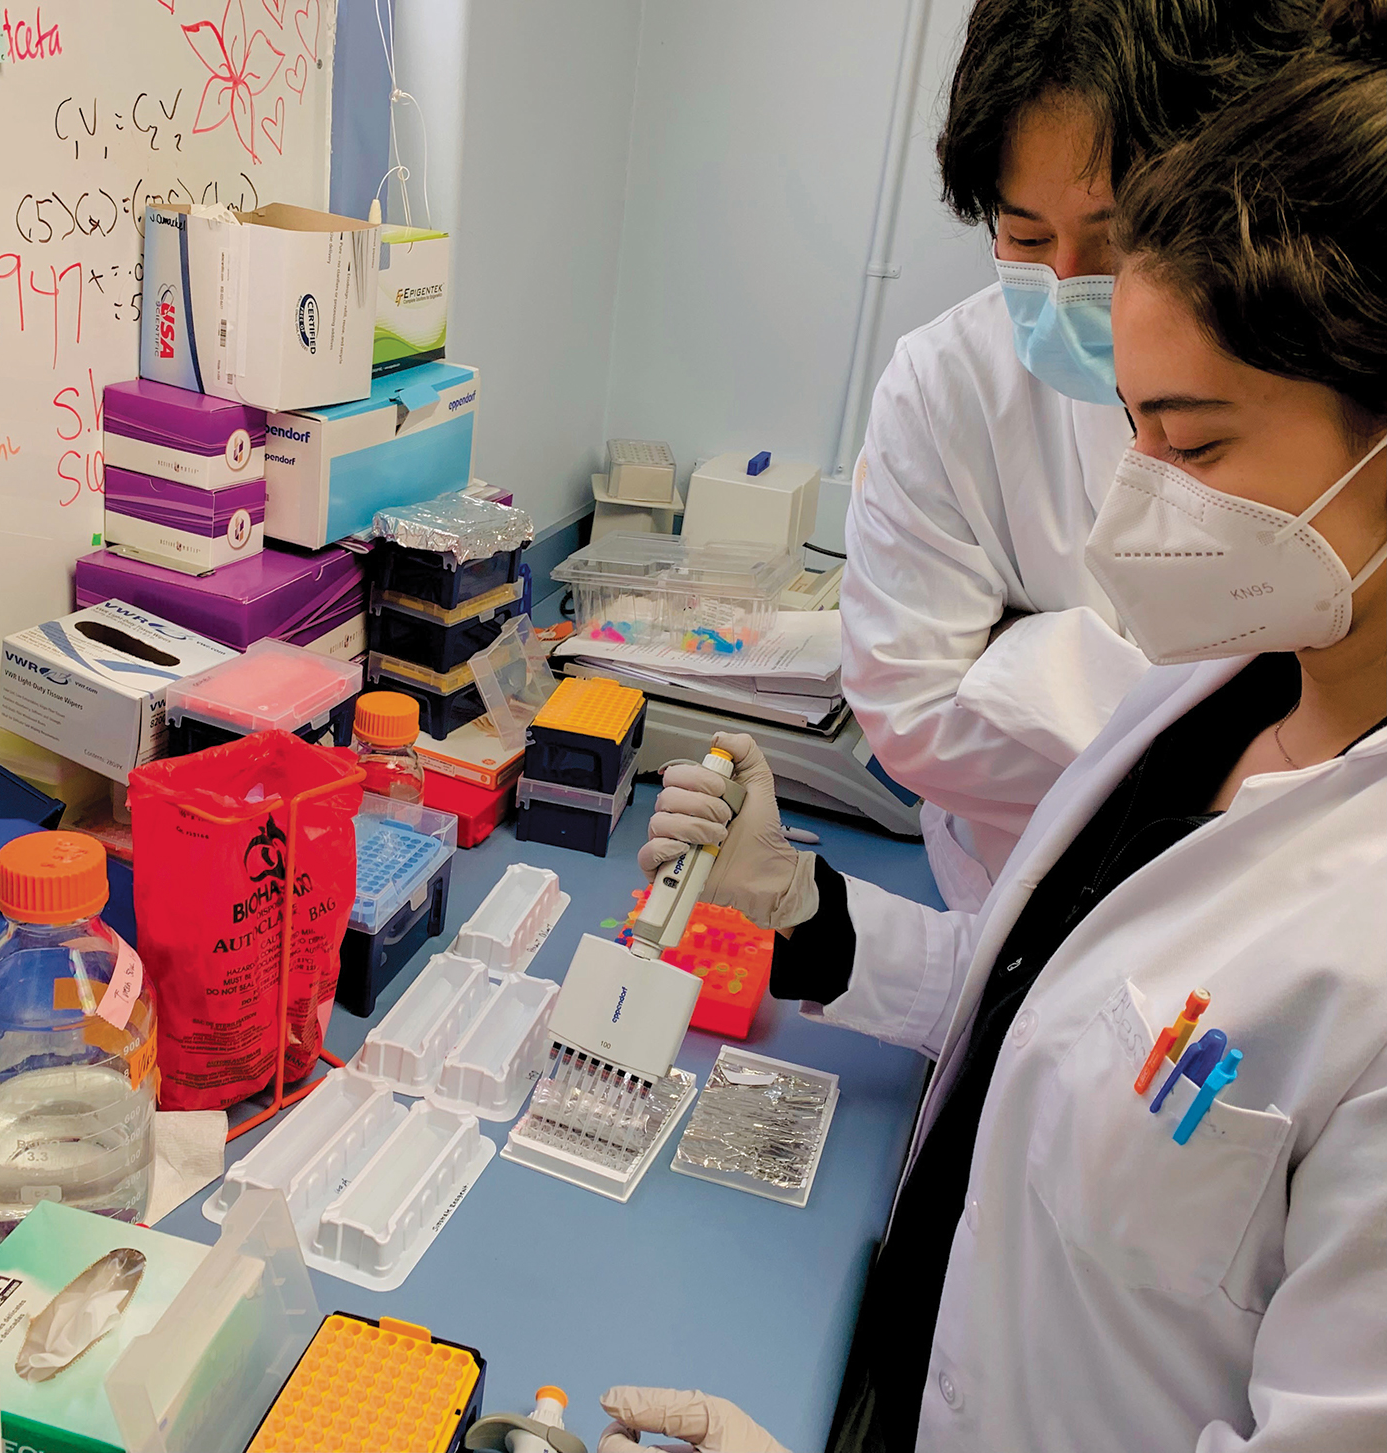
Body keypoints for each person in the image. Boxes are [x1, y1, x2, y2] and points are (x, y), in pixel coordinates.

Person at [612, 3, 1387, 1448]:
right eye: (1137, 430)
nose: (1136, 498)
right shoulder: (1219, 689)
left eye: (1194, 440)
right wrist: (807, 908)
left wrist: (1029, 652)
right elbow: (1050, 1006)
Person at [841, 0, 1314, 912]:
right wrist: (1173, 728)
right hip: (1011, 888)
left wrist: (1023, 658)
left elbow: (1305, 720)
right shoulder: (947, 383)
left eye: (1115, 239)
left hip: (1248, 908)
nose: (1063, 284)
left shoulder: (1300, 385)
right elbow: (909, 711)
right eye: (1024, 237)